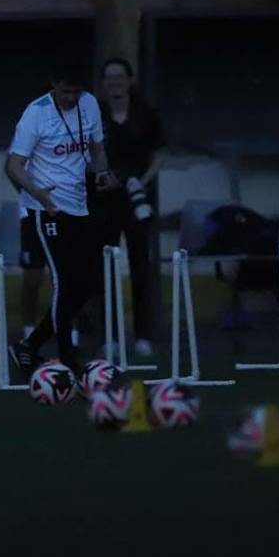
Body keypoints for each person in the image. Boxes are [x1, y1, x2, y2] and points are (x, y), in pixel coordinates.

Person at [4, 61, 118, 373]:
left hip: (80, 206)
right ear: (54, 84)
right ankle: (68, 358)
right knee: (64, 283)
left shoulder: (90, 104)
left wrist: (103, 172)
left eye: (76, 92)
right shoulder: (35, 113)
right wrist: (37, 192)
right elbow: (13, 165)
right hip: (47, 209)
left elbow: (96, 150)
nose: (71, 98)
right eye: (66, 91)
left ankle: (29, 346)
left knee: (87, 284)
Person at [91, 57, 165, 357]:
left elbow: (158, 154)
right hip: (104, 199)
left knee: (140, 266)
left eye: (119, 77)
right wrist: (102, 177)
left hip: (138, 198)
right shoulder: (93, 114)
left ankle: (143, 336)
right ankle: (110, 336)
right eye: (109, 78)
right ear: (103, 83)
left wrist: (142, 182)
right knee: (105, 267)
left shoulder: (146, 114)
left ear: (130, 79)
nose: (114, 83)